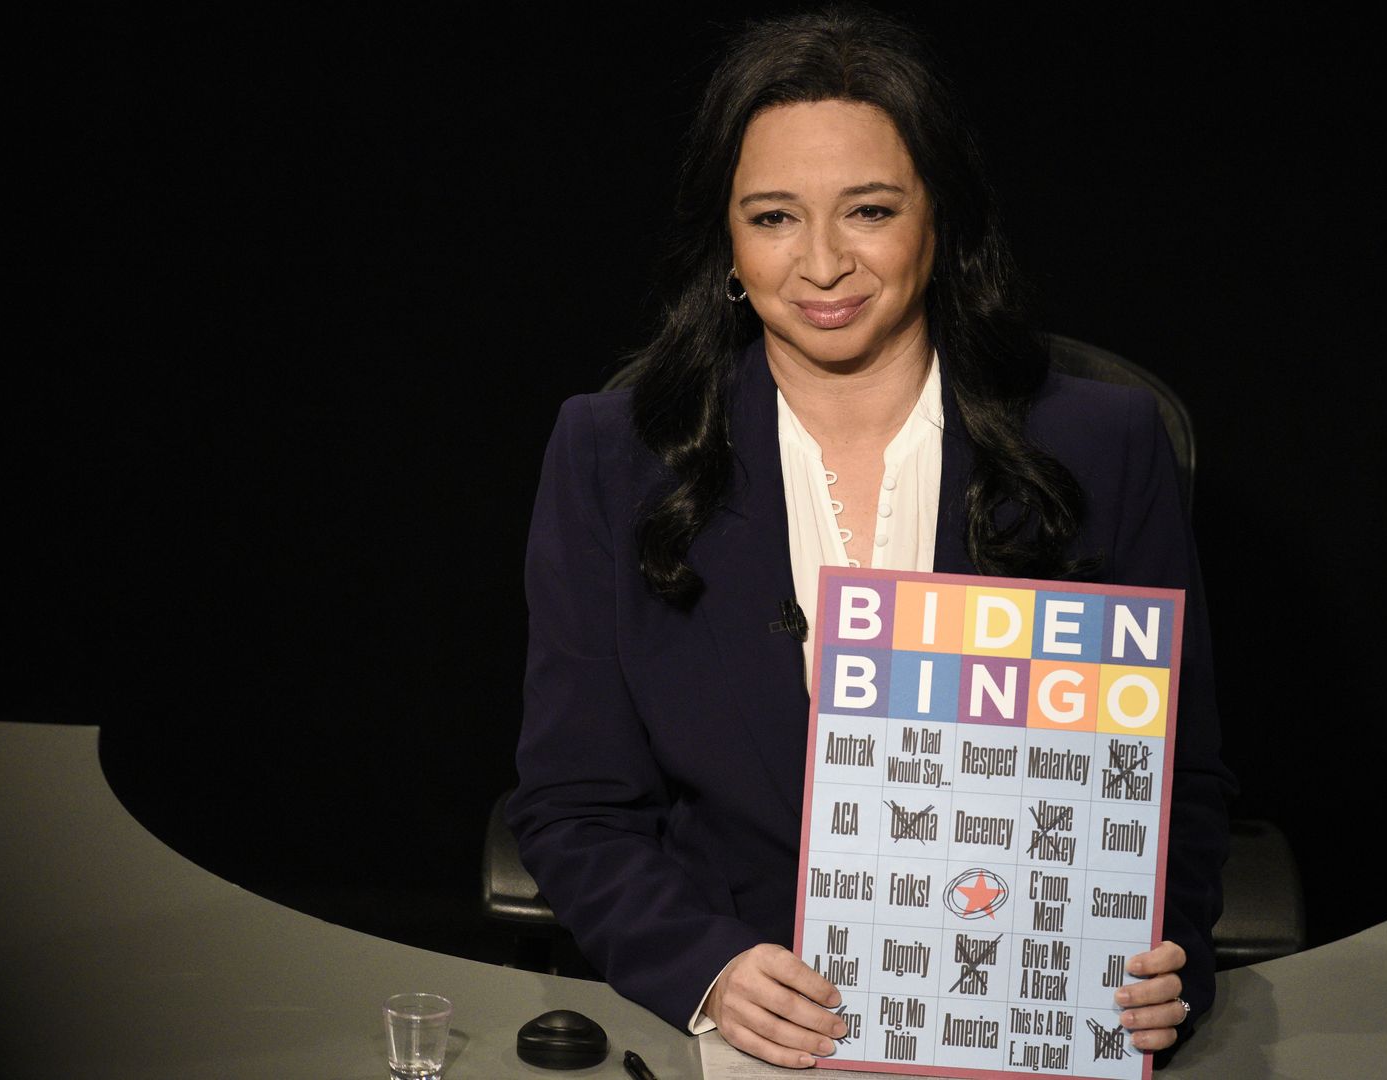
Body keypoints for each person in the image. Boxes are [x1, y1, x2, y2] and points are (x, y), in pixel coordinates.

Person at [508, 4, 1235, 1069]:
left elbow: (1182, 786)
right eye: (772, 218)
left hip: (1029, 1032)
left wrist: (1162, 963)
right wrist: (706, 970)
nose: (822, 263)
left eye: (869, 210)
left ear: (938, 222)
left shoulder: (1104, 441)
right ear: (726, 240)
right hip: (757, 1036)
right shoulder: (611, 456)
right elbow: (576, 807)